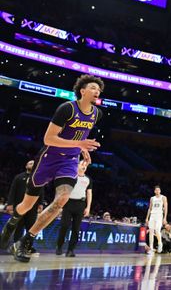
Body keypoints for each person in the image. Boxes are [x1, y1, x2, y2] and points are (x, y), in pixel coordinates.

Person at [0, 75, 103, 263]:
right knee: (26, 205)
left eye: (99, 89)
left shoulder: (97, 113)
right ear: (82, 90)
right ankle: (12, 222)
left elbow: (82, 135)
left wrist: (82, 149)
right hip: (49, 158)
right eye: (93, 88)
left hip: (70, 161)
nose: (97, 91)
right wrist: (79, 143)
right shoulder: (67, 108)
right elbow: (48, 139)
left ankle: (24, 241)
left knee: (62, 199)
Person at [55, 159, 92, 256]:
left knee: (76, 229)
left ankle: (70, 250)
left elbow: (89, 193)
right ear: (77, 165)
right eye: (82, 164)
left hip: (80, 204)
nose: (84, 166)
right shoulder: (72, 176)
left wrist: (88, 207)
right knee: (64, 226)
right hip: (68, 203)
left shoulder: (88, 179)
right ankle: (59, 247)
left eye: (86, 165)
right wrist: (59, 204)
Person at [5, 160, 36, 246]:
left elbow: (41, 192)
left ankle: (28, 247)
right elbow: (12, 190)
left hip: (32, 208)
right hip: (19, 206)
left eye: (34, 163)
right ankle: (16, 246)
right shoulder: (18, 177)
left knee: (31, 228)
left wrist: (40, 204)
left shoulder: (37, 178)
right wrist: (10, 204)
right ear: (26, 166)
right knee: (19, 227)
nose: (32, 165)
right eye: (30, 163)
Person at [145, 186, 168, 255]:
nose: (157, 191)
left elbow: (166, 208)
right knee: (151, 232)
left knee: (157, 230)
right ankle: (151, 248)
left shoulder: (163, 197)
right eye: (156, 190)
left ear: (160, 191)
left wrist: (165, 218)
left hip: (159, 216)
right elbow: (150, 208)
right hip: (152, 216)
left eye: (159, 190)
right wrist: (147, 218)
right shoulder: (152, 198)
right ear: (154, 191)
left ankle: (160, 243)